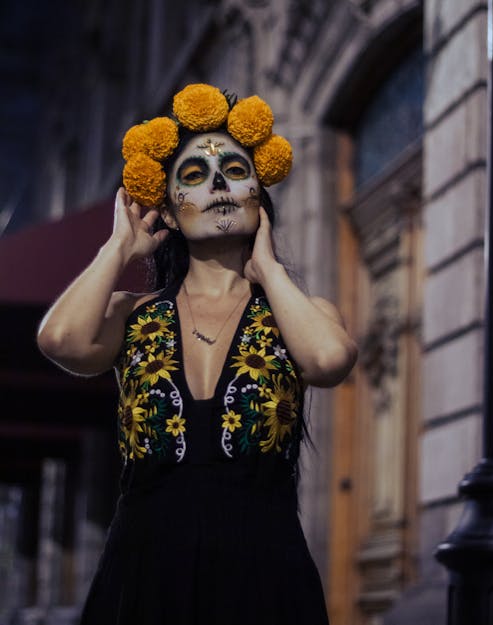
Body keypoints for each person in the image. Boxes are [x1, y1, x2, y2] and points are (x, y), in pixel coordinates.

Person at [37, 83, 357, 625]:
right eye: (193, 176)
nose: (217, 185)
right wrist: (118, 249)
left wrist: (270, 271)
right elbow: (60, 341)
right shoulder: (130, 314)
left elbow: (329, 361)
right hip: (143, 571)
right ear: (169, 207)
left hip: (265, 574)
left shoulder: (300, 312)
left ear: (260, 192)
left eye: (235, 171)